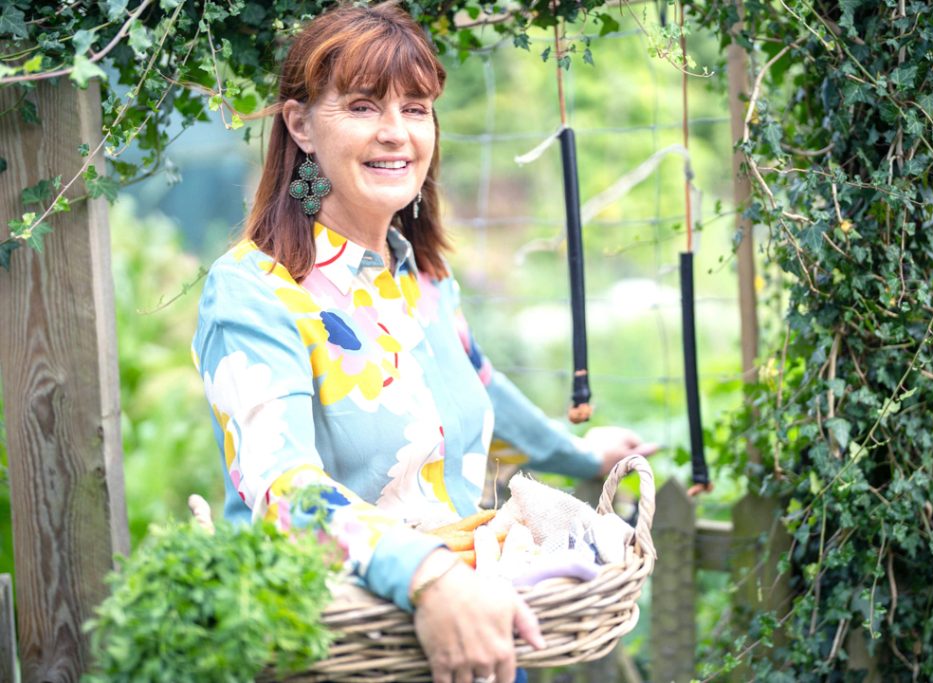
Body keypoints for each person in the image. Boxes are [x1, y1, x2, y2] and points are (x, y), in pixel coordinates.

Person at [191, 5, 657, 683]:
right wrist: (429, 576)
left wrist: (578, 450)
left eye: (416, 108)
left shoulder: (426, 279)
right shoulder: (252, 292)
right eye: (361, 106)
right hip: (347, 650)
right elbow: (282, 487)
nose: (395, 133)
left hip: (481, 633)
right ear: (300, 125)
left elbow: (481, 387)